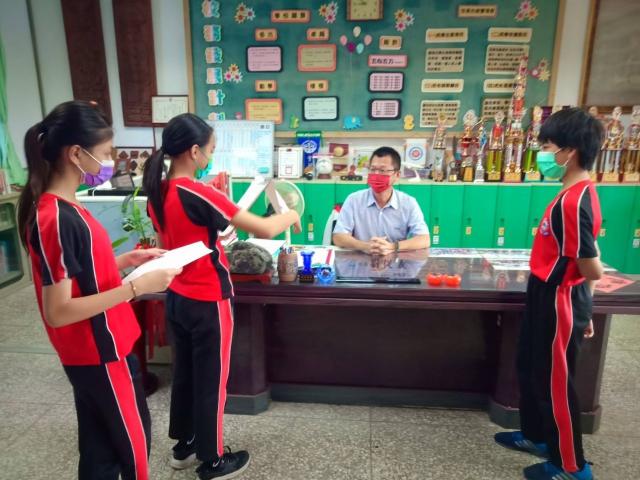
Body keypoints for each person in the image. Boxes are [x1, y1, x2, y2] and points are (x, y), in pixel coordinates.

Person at [17, 101, 181, 480]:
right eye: (105, 154)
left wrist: (126, 261)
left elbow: (81, 270)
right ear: (76, 153)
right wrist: (136, 287)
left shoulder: (66, 207)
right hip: (98, 350)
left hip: (99, 347)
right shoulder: (56, 217)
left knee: (100, 449)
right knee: (132, 444)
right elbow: (59, 310)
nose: (109, 163)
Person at [143, 113, 300, 480]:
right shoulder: (199, 192)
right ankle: (212, 460)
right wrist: (291, 213)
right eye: (211, 149)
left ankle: (184, 445)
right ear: (194, 151)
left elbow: (171, 244)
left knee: (185, 374)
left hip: (177, 297)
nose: (211, 156)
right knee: (212, 380)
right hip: (209, 300)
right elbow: (264, 227)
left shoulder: (158, 191)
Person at [494, 108, 604, 480]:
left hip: (560, 298)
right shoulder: (570, 193)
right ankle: (537, 435)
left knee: (555, 382)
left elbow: (590, 265)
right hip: (544, 292)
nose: (542, 154)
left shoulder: (573, 202)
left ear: (569, 151)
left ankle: (572, 466)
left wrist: (584, 308)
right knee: (531, 366)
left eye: (547, 146)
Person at [332, 146, 430, 254]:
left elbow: (424, 239)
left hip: (395, 261)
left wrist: (392, 247)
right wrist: (365, 246)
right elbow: (338, 237)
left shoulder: (408, 203)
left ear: (397, 175)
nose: (376, 174)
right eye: (373, 169)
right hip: (361, 259)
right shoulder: (354, 200)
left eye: (382, 170)